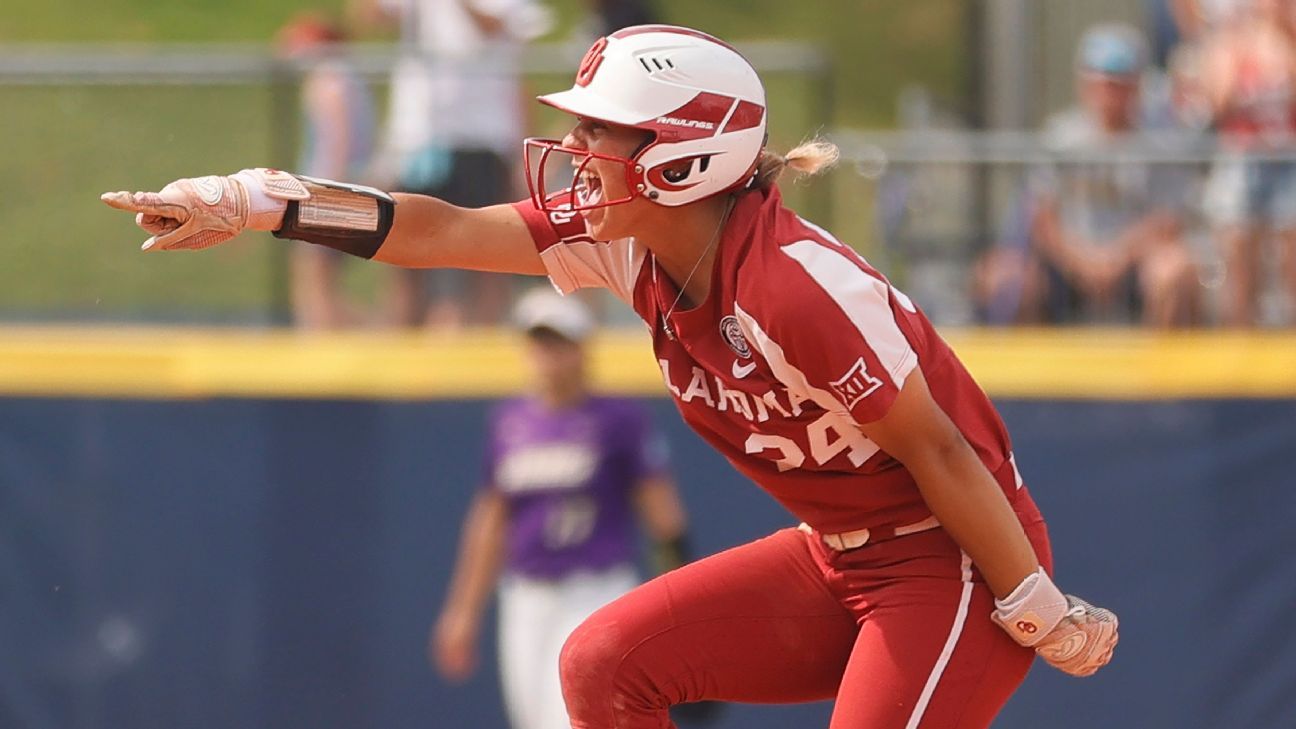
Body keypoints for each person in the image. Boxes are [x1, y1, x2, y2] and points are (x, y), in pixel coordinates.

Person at [101, 24, 1119, 728]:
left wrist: (1037, 603)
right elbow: (440, 231)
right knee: (602, 665)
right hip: (840, 555)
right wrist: (261, 200)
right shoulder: (626, 242)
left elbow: (941, 450)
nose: (576, 148)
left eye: (603, 130)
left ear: (687, 160)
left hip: (954, 562)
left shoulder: (791, 287)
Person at [430, 286, 694, 729]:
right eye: (538, 342)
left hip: (596, 590)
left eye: (558, 342)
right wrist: (462, 611)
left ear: (582, 348)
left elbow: (663, 515)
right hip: (528, 595)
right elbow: (490, 521)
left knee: (571, 717)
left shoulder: (618, 420)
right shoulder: (510, 423)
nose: (547, 355)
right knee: (534, 720)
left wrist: (677, 617)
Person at [354, 0, 552, 329]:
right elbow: (370, 17)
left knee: (483, 258)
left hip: (480, 138)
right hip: (417, 141)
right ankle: (402, 339)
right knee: (399, 251)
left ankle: (477, 335)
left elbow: (494, 30)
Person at [1027, 24, 1200, 327]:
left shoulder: (1160, 144)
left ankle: (1159, 359)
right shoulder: (1060, 138)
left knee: (1173, 271)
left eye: (1118, 84)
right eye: (1101, 82)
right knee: (1009, 280)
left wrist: (1116, 258)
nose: (1108, 92)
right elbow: (1042, 217)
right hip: (1067, 266)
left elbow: (1168, 220)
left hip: (1136, 266)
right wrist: (1081, 260)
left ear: (1136, 86)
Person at [275, 13, 377, 329]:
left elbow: (337, 143)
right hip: (345, 182)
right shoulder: (349, 80)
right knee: (322, 275)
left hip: (330, 188)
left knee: (313, 272)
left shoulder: (329, 82)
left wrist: (323, 191)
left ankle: (325, 337)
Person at [1198, 0, 1296, 326]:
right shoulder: (1230, 43)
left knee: (1291, 253)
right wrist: (1240, 53)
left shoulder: (1290, 42)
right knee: (1239, 256)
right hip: (1242, 160)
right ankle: (1239, 345)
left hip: (1288, 159)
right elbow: (1218, 103)